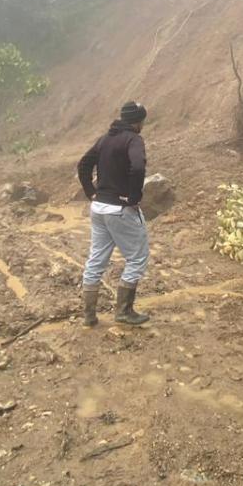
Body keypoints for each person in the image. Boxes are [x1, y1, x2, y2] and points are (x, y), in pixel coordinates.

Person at [77, 101, 151, 327]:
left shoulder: (104, 139)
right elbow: (138, 168)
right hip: (120, 209)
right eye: (142, 122)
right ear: (137, 121)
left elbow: (83, 165)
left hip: (98, 208)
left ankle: (89, 315)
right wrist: (134, 197)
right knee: (137, 257)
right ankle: (124, 312)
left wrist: (91, 192)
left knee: (96, 259)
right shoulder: (133, 140)